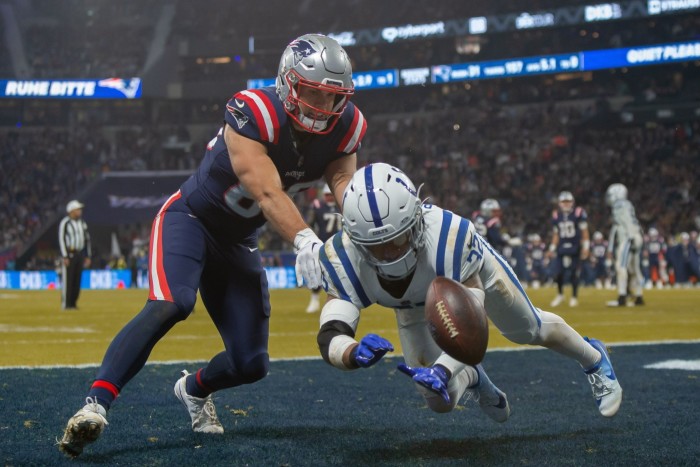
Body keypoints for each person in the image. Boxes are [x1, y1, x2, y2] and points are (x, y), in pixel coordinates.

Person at [59, 33, 366, 458]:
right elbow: (267, 193)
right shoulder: (253, 111)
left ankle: (193, 389)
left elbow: (343, 183)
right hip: (190, 219)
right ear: (287, 83)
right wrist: (306, 241)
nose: (322, 105)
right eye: (312, 91)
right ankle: (95, 404)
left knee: (251, 364)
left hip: (238, 239)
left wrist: (371, 218)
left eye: (332, 97)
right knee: (172, 303)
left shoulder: (346, 125)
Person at [316, 163, 622, 423]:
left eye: (397, 240)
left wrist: (442, 367)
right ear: (354, 238)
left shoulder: (448, 238)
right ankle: (475, 378)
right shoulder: (342, 255)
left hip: (469, 280)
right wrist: (353, 353)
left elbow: (473, 327)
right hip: (409, 304)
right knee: (438, 400)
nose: (387, 254)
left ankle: (593, 358)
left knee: (529, 329)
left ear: (417, 219)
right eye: (375, 247)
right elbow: (330, 332)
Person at [547, 191, 590, 308]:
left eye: (568, 201)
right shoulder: (556, 215)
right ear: (559, 203)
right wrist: (552, 248)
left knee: (574, 274)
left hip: (575, 247)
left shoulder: (578, 212)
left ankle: (574, 297)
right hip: (561, 247)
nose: (566, 204)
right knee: (558, 273)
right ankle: (560, 295)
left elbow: (584, 231)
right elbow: (556, 234)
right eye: (563, 201)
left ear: (572, 202)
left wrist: (586, 247)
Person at [605, 183, 645, 307]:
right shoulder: (627, 204)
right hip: (635, 236)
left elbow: (627, 221)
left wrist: (631, 236)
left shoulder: (620, 204)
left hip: (628, 238)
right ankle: (639, 296)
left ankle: (622, 296)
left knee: (621, 267)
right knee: (635, 269)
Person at [304, 184, 342, 312]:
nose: (329, 198)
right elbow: (309, 223)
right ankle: (314, 299)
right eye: (327, 195)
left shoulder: (342, 206)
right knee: (317, 273)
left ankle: (338, 302)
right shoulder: (318, 206)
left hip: (341, 246)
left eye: (331, 195)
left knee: (341, 275)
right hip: (323, 245)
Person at [58, 200, 91, 310]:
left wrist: (87, 255)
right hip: (70, 253)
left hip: (80, 254)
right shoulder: (65, 223)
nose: (79, 211)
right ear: (71, 211)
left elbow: (87, 240)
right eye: (77, 209)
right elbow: (62, 240)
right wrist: (65, 256)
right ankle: (66, 304)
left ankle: (73, 303)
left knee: (77, 279)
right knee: (68, 280)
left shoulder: (82, 223)